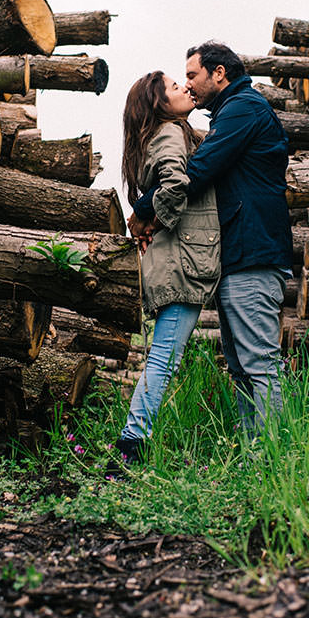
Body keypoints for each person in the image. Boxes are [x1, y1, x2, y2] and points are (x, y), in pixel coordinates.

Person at [128, 41, 292, 439]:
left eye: (191, 75)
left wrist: (144, 210)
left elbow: (195, 173)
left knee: (258, 363)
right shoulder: (228, 115)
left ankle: (272, 454)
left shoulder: (243, 109)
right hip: (237, 257)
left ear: (219, 73)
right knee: (240, 366)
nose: (189, 85)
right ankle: (255, 455)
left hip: (253, 253)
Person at [113, 70, 221, 465]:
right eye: (175, 87)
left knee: (161, 356)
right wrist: (157, 218)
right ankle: (130, 445)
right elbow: (175, 185)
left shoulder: (156, 138)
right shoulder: (171, 133)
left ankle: (131, 441)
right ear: (160, 104)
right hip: (184, 261)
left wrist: (150, 215)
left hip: (174, 260)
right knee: (162, 359)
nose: (185, 88)